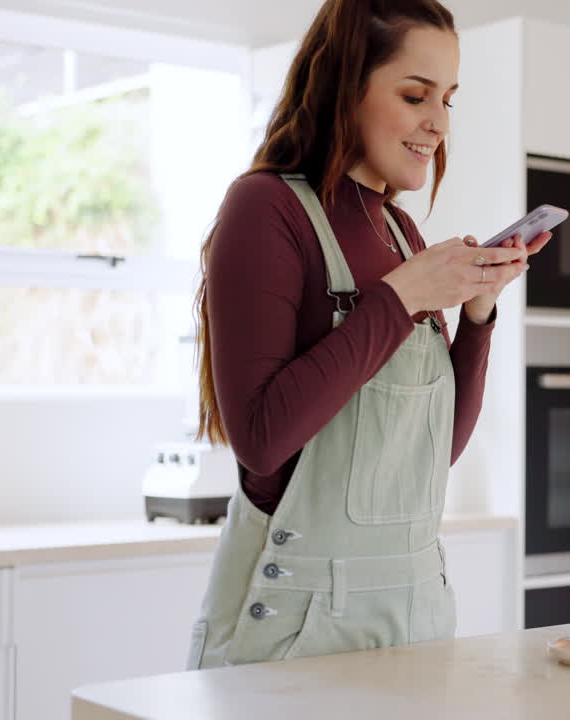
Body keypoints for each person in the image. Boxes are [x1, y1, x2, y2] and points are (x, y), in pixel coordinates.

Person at [185, 0, 550, 669]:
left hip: (413, 615)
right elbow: (260, 438)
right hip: (295, 630)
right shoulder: (266, 208)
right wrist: (403, 297)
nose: (439, 123)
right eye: (415, 95)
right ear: (346, 86)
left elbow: (431, 457)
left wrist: (478, 314)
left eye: (448, 99)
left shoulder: (401, 234)